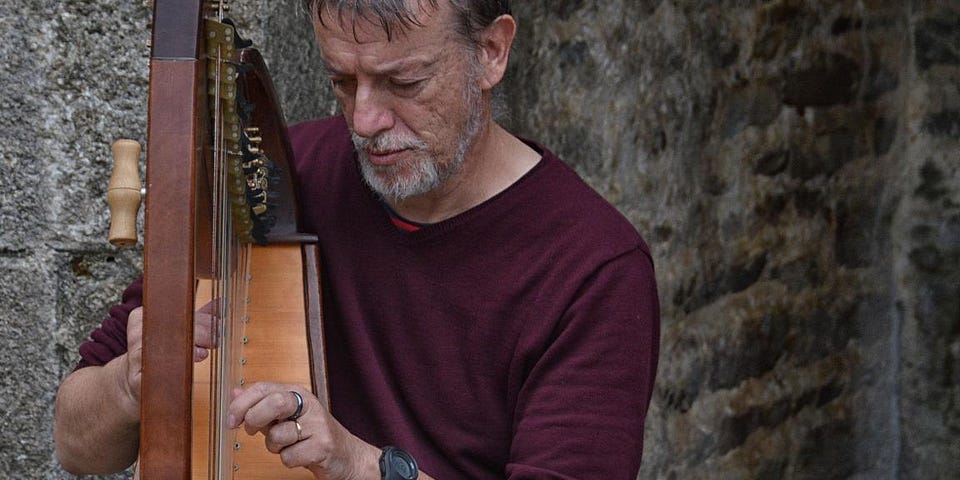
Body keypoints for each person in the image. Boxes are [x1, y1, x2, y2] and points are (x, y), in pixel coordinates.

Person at [54, 1, 660, 479]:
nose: (366, 120)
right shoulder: (280, 182)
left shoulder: (595, 269)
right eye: (343, 82)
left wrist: (357, 465)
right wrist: (133, 383)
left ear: (492, 52)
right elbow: (75, 443)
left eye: (405, 82)